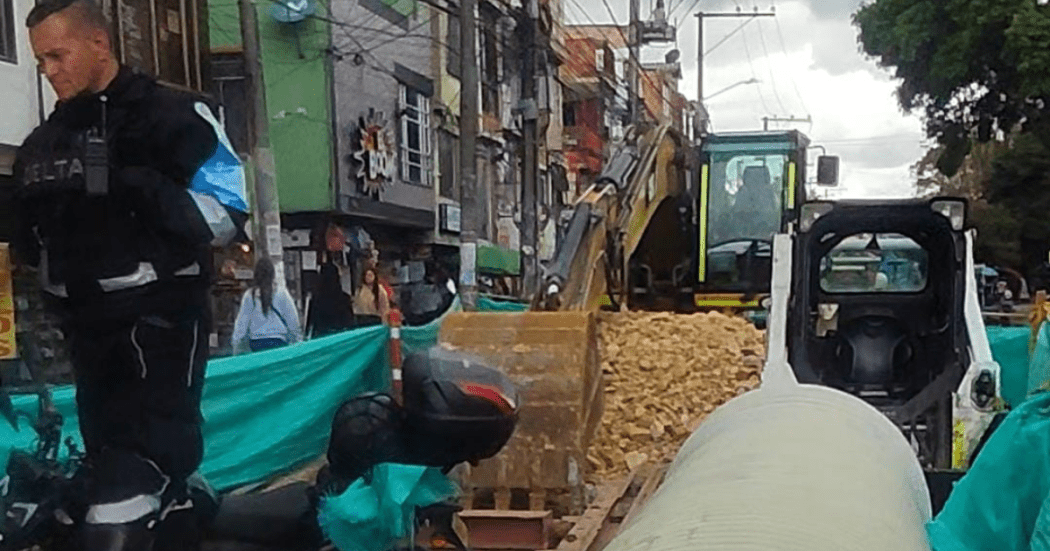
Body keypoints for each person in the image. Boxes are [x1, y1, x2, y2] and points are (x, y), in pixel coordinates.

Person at [12, 0, 248, 548]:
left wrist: (138, 187)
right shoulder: (42, 144)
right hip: (84, 332)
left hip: (158, 326)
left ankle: (174, 505)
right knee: (87, 494)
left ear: (99, 44)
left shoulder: (174, 115)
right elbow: (28, 245)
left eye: (57, 55)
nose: (48, 71)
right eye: (40, 60)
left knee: (133, 499)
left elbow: (228, 211)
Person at [231, 258, 302, 353]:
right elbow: (293, 320)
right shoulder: (282, 293)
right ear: (273, 274)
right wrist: (297, 341)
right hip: (279, 342)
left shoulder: (250, 295)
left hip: (256, 343)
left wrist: (236, 346)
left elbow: (241, 324)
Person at [305, 261, 354, 338]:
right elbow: (349, 322)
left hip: (321, 336)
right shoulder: (344, 298)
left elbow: (310, 321)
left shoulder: (316, 299)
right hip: (339, 336)